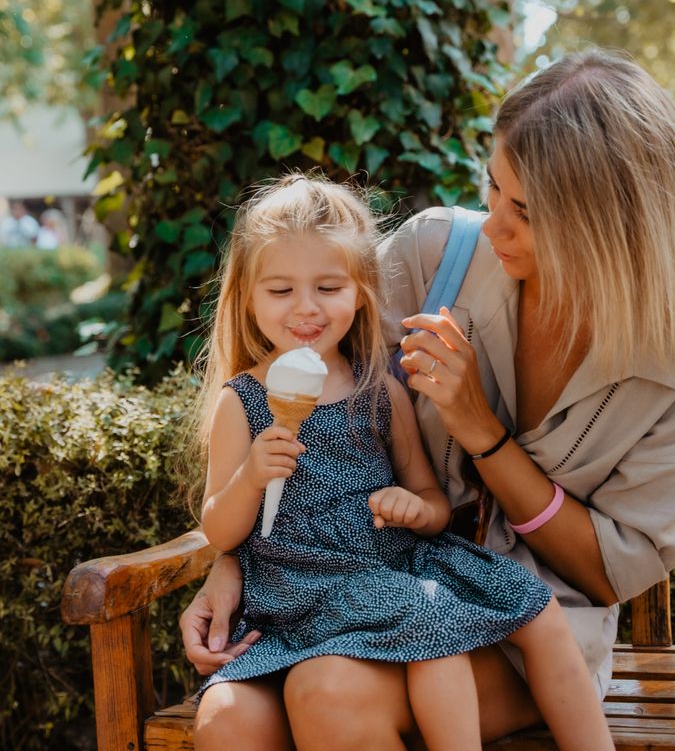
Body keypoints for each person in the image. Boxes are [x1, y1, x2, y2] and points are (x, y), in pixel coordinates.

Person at [181, 49, 675, 747]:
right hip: (342, 592)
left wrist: (482, 433)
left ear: (608, 225)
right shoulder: (434, 257)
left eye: (525, 213)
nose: (493, 226)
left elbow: (602, 572)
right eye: (492, 189)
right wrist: (230, 562)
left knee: (330, 694)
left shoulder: (663, 362)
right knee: (229, 720)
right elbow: (289, 382)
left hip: (523, 624)